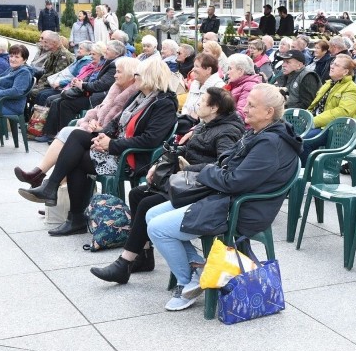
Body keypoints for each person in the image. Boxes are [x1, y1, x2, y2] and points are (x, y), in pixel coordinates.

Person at [146, 83, 301, 310]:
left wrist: (206, 171)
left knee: (157, 228)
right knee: (152, 214)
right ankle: (199, 269)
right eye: (246, 103)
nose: (244, 108)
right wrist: (207, 171)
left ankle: (187, 282)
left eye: (251, 105)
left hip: (241, 209)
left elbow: (234, 181)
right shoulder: (262, 132)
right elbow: (230, 167)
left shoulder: (270, 143)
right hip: (226, 198)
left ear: (269, 112)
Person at [90, 87, 246, 285]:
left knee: (148, 203)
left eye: (202, 101)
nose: (197, 103)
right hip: (185, 180)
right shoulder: (205, 124)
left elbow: (224, 164)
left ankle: (124, 262)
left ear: (214, 108)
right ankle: (144, 255)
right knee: (137, 194)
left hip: (201, 187)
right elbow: (187, 149)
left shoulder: (227, 131)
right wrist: (161, 163)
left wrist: (188, 167)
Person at [20, 57, 179, 236]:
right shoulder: (140, 96)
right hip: (119, 147)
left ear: (150, 77)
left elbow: (150, 140)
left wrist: (111, 144)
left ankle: (66, 206)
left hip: (133, 158)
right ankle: (57, 194)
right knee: (77, 136)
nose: (135, 79)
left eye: (138, 75)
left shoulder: (164, 103)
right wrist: (103, 133)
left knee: (77, 158)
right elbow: (117, 122)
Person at [14, 57, 141, 189]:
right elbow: (100, 109)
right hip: (98, 132)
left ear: (130, 74)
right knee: (66, 130)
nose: (115, 75)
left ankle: (45, 183)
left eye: (119, 72)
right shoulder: (116, 88)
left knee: (69, 137)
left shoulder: (133, 94)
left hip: (110, 142)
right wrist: (90, 121)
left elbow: (120, 124)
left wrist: (101, 129)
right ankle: (48, 187)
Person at [40, 40, 125, 141]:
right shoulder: (108, 61)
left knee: (65, 104)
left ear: (117, 53)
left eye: (108, 49)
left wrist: (82, 85)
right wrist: (80, 83)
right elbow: (90, 78)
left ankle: (64, 136)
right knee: (58, 101)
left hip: (98, 97)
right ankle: (54, 134)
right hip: (91, 92)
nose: (105, 51)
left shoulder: (114, 65)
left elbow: (101, 85)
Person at [302, 54, 356, 161]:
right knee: (286, 135)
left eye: (337, 65)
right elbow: (314, 106)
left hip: (334, 129)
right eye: (332, 63)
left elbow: (343, 112)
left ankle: (306, 173)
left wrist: (313, 121)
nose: (332, 66)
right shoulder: (328, 83)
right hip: (318, 124)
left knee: (302, 141)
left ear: (345, 72)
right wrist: (305, 117)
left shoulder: (352, 88)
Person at [30, 32, 75, 103]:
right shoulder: (52, 53)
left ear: (54, 43)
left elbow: (56, 76)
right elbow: (46, 71)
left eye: (46, 42)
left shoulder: (63, 56)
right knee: (26, 89)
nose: (43, 44)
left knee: (35, 93)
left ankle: (38, 113)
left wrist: (40, 85)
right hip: (47, 83)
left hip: (58, 86)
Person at [181, 53, 225, 120]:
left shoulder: (219, 87)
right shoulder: (194, 84)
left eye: (197, 66)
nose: (193, 69)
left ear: (208, 70)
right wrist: (186, 117)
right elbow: (186, 106)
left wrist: (198, 119)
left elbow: (217, 115)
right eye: (194, 66)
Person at [225, 53, 263, 122]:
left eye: (230, 69)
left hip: (241, 129)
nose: (227, 72)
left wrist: (218, 115)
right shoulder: (234, 84)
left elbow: (242, 115)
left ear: (240, 71)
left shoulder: (249, 86)